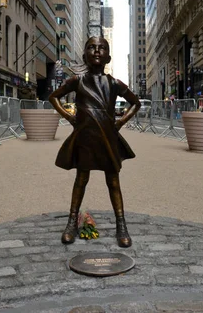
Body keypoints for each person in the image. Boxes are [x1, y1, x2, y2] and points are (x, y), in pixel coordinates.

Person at [49, 36, 141, 248]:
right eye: (92, 47)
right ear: (84, 56)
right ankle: (71, 222)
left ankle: (121, 224)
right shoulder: (77, 81)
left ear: (108, 57)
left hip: (107, 137)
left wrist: (119, 123)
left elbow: (135, 103)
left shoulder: (114, 83)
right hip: (85, 137)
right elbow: (54, 97)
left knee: (113, 181)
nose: (97, 51)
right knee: (81, 179)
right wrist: (69, 117)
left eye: (102, 48)